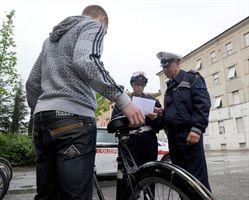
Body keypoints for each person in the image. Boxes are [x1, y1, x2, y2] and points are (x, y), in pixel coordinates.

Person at [26, 5, 144, 200]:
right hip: (74, 120)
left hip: (42, 121)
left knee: (47, 195)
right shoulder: (93, 26)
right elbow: (85, 61)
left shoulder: (49, 41)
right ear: (102, 21)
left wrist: (41, 112)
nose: (102, 38)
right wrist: (123, 100)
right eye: (105, 34)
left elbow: (32, 83)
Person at [156, 52, 211, 191]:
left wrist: (197, 128)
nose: (164, 70)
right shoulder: (169, 87)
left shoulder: (192, 78)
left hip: (189, 136)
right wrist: (163, 113)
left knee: (197, 180)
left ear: (178, 63)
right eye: (163, 67)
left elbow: (203, 103)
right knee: (181, 180)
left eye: (167, 66)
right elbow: (177, 110)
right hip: (174, 139)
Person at [111, 71, 162, 199]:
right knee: (128, 175)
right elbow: (114, 121)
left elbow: (161, 123)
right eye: (136, 84)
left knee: (150, 173)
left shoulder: (153, 101)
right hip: (129, 141)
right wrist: (128, 120)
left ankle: (149, 197)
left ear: (144, 86)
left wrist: (154, 118)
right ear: (132, 85)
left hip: (148, 140)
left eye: (141, 85)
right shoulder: (123, 101)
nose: (139, 87)